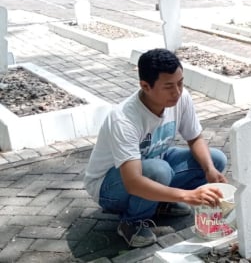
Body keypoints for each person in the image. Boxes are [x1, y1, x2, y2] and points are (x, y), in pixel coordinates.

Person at [83, 48, 229, 248]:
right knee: (158, 170)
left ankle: (160, 203)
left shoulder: (181, 97)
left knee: (216, 159)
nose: (177, 92)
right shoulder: (124, 118)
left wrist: (210, 170)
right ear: (145, 86)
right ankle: (132, 223)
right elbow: (133, 182)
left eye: (180, 82)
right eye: (168, 86)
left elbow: (195, 138)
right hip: (109, 187)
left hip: (154, 162)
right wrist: (187, 195)